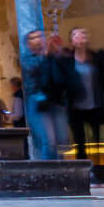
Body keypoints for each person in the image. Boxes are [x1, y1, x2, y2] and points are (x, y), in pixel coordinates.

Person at [20, 30, 70, 162]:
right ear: (27, 43)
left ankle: (61, 170)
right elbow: (33, 69)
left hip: (56, 101)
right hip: (38, 102)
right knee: (49, 140)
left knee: (62, 140)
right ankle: (50, 173)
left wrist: (58, 51)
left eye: (39, 36)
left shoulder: (54, 55)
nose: (37, 40)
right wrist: (47, 52)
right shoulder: (27, 58)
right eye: (33, 38)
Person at [69, 26, 104, 164]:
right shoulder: (68, 60)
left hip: (94, 105)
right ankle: (83, 171)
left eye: (83, 35)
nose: (80, 38)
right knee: (80, 141)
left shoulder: (94, 58)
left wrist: (101, 94)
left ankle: (98, 168)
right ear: (72, 40)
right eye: (76, 35)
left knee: (97, 141)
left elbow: (103, 80)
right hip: (76, 107)